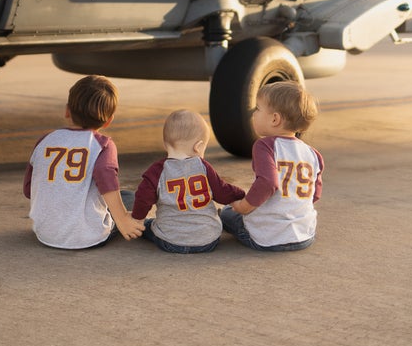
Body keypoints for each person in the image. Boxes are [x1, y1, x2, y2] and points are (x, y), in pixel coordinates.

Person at [23, 74, 144, 249]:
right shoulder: (102, 145)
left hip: (45, 233)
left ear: (67, 111)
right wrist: (123, 219)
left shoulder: (45, 141)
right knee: (129, 198)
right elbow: (106, 179)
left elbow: (29, 190)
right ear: (109, 120)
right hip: (87, 236)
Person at [220, 80, 323, 252]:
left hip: (266, 237)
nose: (253, 113)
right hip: (304, 235)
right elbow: (315, 194)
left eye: (258, 109)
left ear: (275, 119)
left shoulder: (265, 145)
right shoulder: (313, 153)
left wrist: (245, 206)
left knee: (227, 213)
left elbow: (268, 182)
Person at [132, 109, 246, 253]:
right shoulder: (203, 166)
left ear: (165, 143)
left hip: (170, 241)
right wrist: (241, 194)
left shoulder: (157, 171)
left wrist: (137, 218)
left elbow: (143, 198)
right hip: (208, 240)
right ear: (197, 147)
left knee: (149, 225)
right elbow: (222, 192)